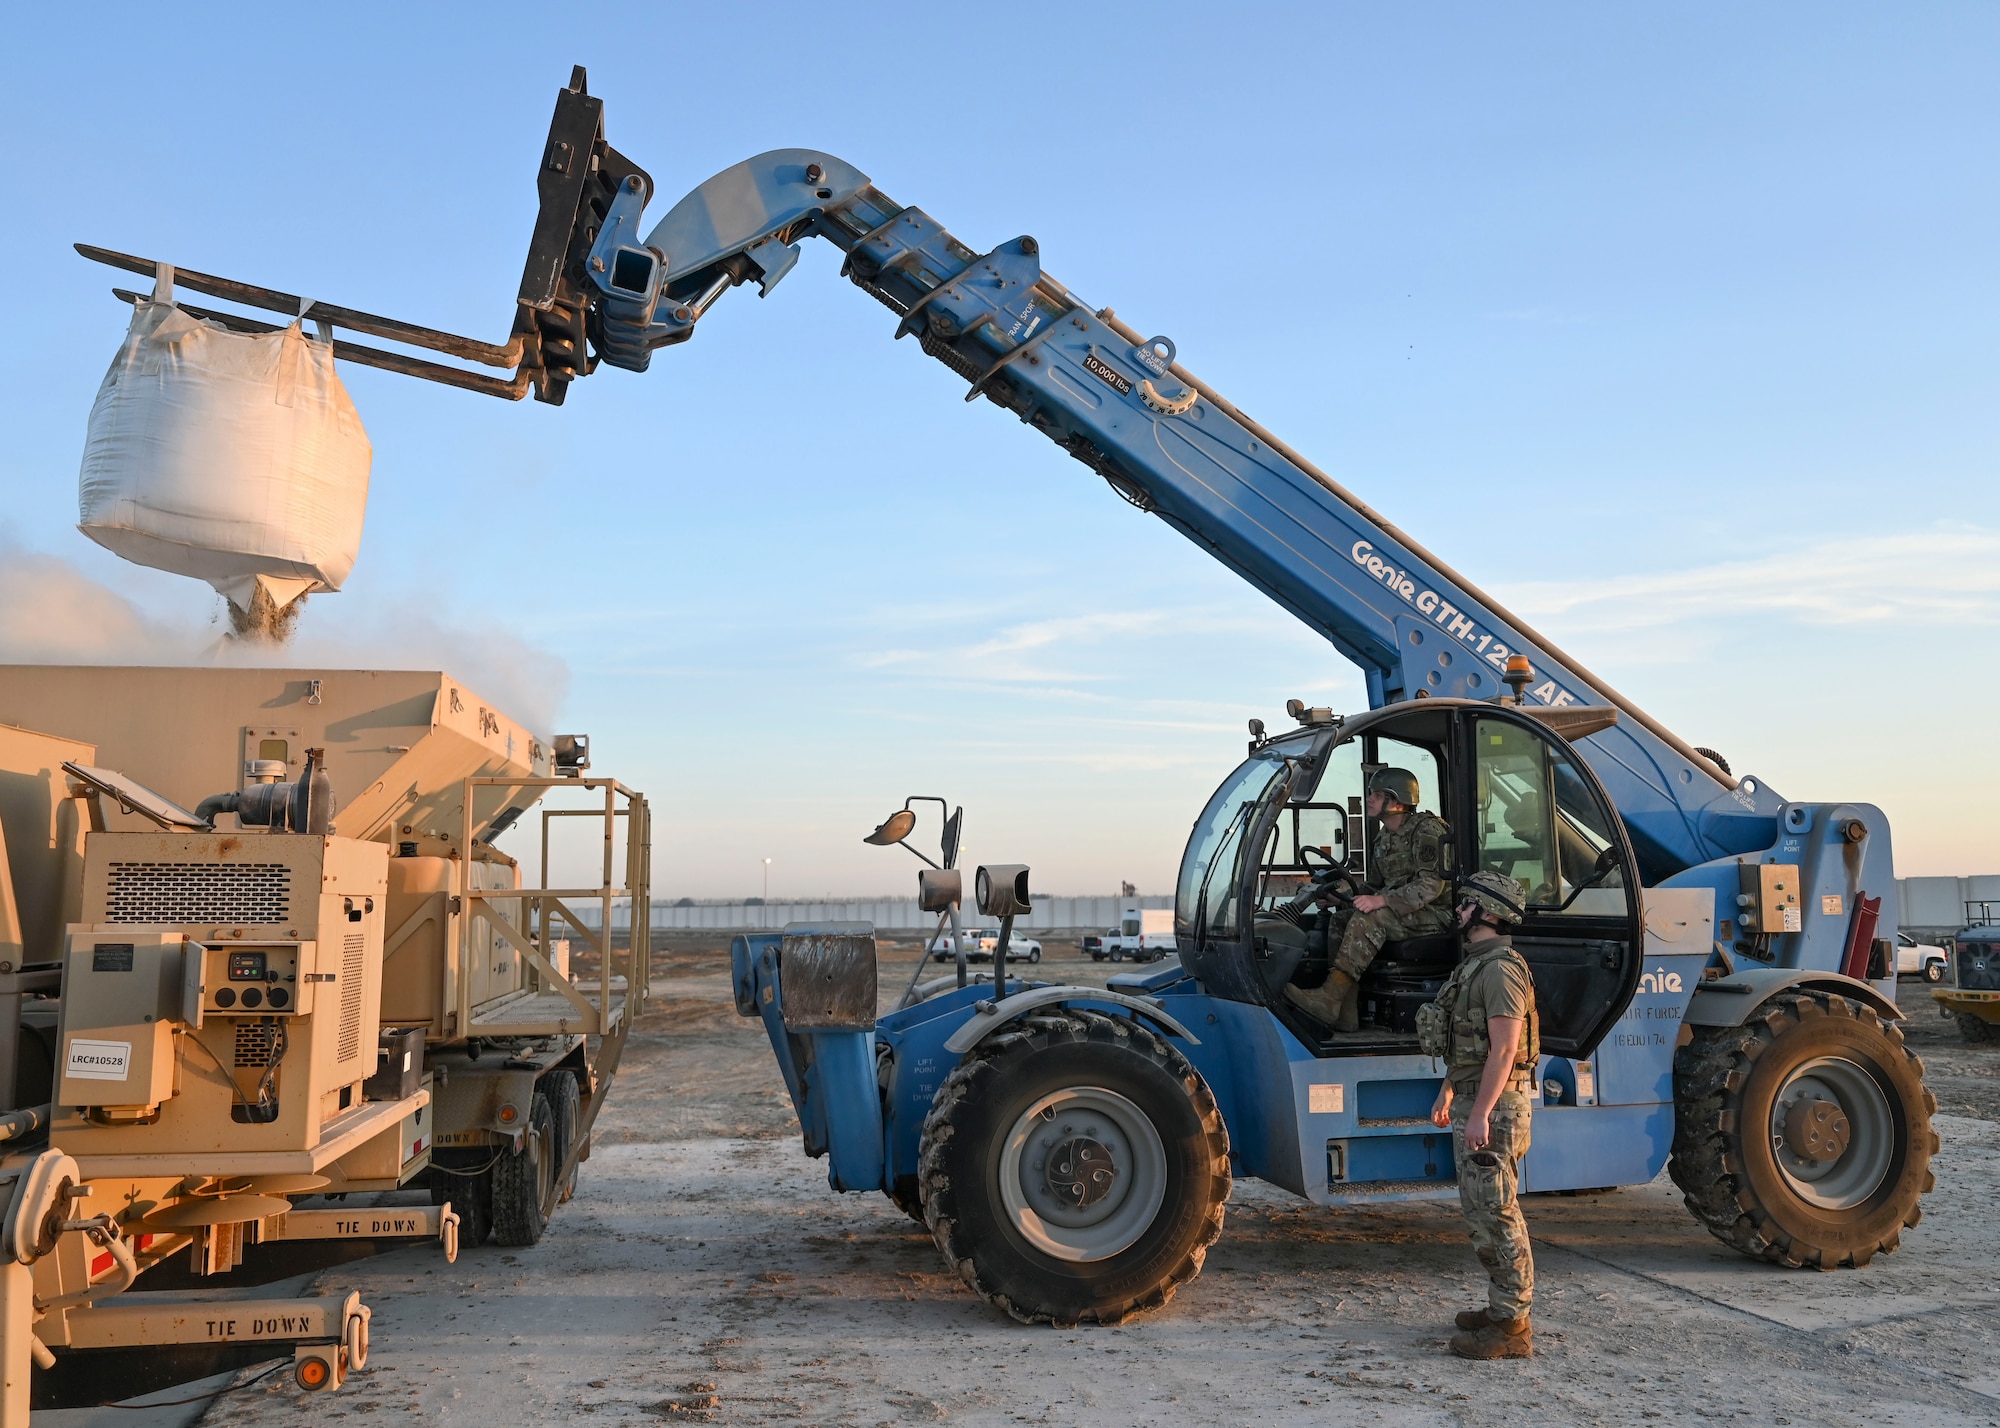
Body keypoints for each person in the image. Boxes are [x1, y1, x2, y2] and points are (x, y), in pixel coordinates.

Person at [1424, 869, 1539, 1360]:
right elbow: (1469, 1044)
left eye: (1466, 903)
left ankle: (1512, 1327)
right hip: (1476, 1097)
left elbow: (1505, 1049)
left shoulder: (1500, 969)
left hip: (1496, 1104)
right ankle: (1501, 1309)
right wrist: (1450, 1090)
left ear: (1488, 912)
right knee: (1481, 1212)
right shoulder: (1476, 965)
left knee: (1498, 1212)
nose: (1458, 910)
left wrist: (1482, 1114)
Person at [1283, 767, 1453, 1032]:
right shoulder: (1384, 836)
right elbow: (1373, 885)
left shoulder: (1427, 831)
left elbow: (1431, 886)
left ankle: (1330, 997)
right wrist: (1340, 898)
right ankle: (1344, 1010)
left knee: (1371, 917)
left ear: (1396, 801)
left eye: (1377, 794)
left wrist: (1382, 901)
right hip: (1402, 912)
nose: (1369, 799)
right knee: (1340, 919)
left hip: (1435, 914)